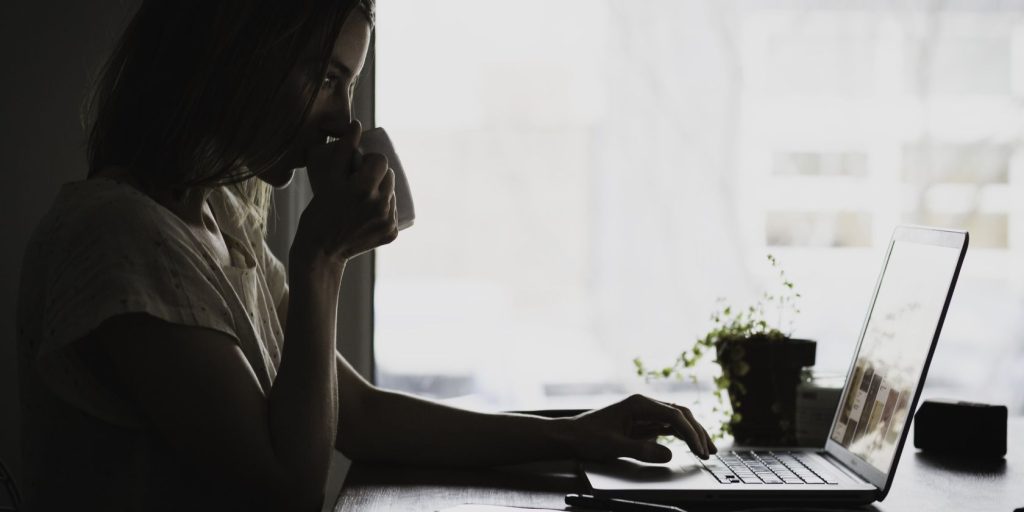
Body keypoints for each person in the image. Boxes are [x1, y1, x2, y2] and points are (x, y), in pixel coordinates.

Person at [15, 1, 715, 510]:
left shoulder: (218, 223)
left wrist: (574, 433)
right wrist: (322, 257)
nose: (345, 118)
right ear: (233, 59)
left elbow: (359, 414)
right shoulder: (120, 239)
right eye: (325, 76)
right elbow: (287, 489)